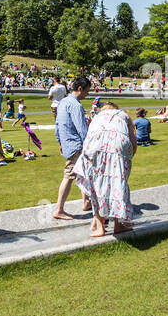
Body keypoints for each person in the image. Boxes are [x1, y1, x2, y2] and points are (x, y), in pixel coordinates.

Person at [74, 101, 137, 237]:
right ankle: (118, 224)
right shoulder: (123, 115)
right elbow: (133, 141)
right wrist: (127, 160)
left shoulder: (96, 117)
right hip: (117, 147)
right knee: (117, 184)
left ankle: (100, 227)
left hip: (93, 148)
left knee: (95, 186)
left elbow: (89, 137)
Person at [52, 77, 92, 221]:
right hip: (77, 145)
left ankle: (87, 202)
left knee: (84, 173)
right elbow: (82, 129)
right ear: (80, 89)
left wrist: (60, 143)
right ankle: (59, 209)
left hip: (68, 143)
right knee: (69, 176)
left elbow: (58, 125)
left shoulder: (63, 102)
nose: (87, 94)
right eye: (87, 91)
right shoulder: (76, 105)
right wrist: (90, 145)